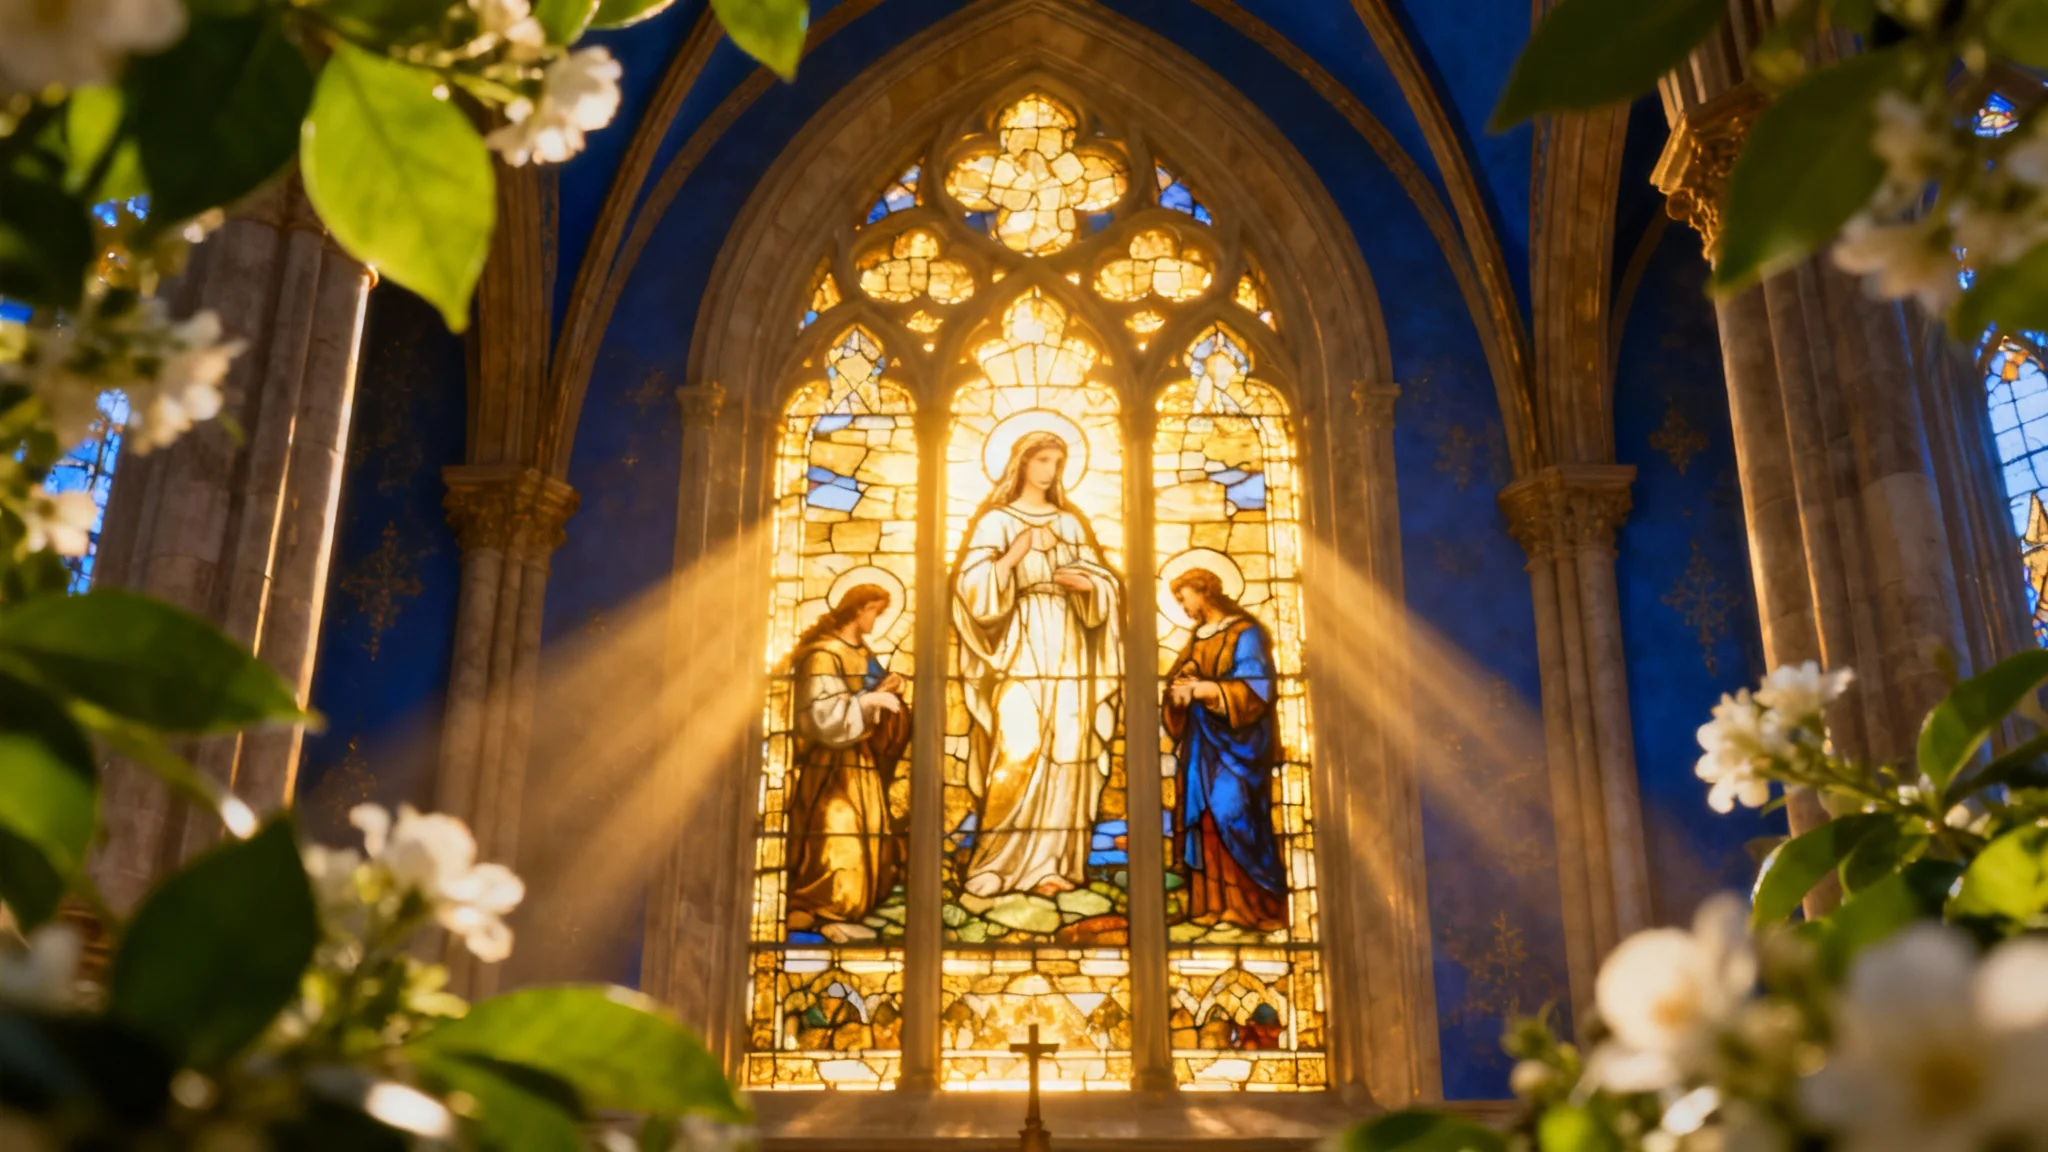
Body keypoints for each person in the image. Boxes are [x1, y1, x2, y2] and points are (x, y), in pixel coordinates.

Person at [952, 430, 1123, 898]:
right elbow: (972, 588)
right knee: (1017, 746)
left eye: (1058, 462)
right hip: (1020, 641)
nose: (1051, 471)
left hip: (1069, 643)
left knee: (1068, 749)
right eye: (1043, 460)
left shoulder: (1071, 523)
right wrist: (1014, 555)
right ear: (1022, 463)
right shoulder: (996, 521)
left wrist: (1089, 587)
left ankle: (1056, 864)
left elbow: (1105, 582)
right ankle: (995, 861)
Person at [1163, 567, 1287, 933]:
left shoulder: (1245, 634)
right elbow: (1180, 683)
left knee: (1231, 810)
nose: (1182, 605)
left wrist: (1206, 690)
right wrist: (1180, 689)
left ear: (1204, 592)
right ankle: (1212, 906)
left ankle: (1252, 906)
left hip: (1239, 748)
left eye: (1184, 596)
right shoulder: (1197, 638)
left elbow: (1257, 688)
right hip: (1201, 746)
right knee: (1203, 819)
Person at [785, 584, 910, 941]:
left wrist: (892, 687)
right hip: (830, 766)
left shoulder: (864, 653)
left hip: (862, 763)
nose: (877, 619)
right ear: (859, 609)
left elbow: (875, 694)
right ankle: (821, 909)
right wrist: (869, 704)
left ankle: (850, 912)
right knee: (836, 831)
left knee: (870, 836)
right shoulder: (823, 655)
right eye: (875, 611)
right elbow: (820, 715)